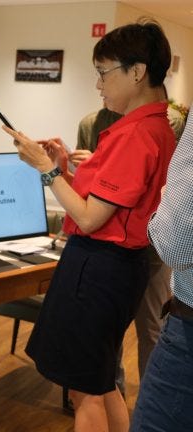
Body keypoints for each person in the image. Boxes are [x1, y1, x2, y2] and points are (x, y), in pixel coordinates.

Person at [2, 19, 175, 432]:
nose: (99, 86)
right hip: (116, 267)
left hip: (100, 268)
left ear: (137, 72)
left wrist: (45, 169)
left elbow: (88, 217)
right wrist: (63, 166)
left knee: (85, 389)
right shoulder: (158, 125)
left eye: (103, 73)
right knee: (97, 381)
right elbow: (102, 201)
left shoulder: (137, 133)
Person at [73, 103, 184, 398]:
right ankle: (113, 400)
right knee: (108, 334)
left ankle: (150, 405)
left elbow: (164, 181)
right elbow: (86, 191)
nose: (100, 84)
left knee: (151, 329)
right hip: (106, 247)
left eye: (105, 72)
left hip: (153, 246)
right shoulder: (90, 123)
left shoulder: (168, 122)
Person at [130, 109, 193, 431]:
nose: (99, 85)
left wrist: (167, 201)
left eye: (104, 72)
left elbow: (177, 243)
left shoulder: (150, 130)